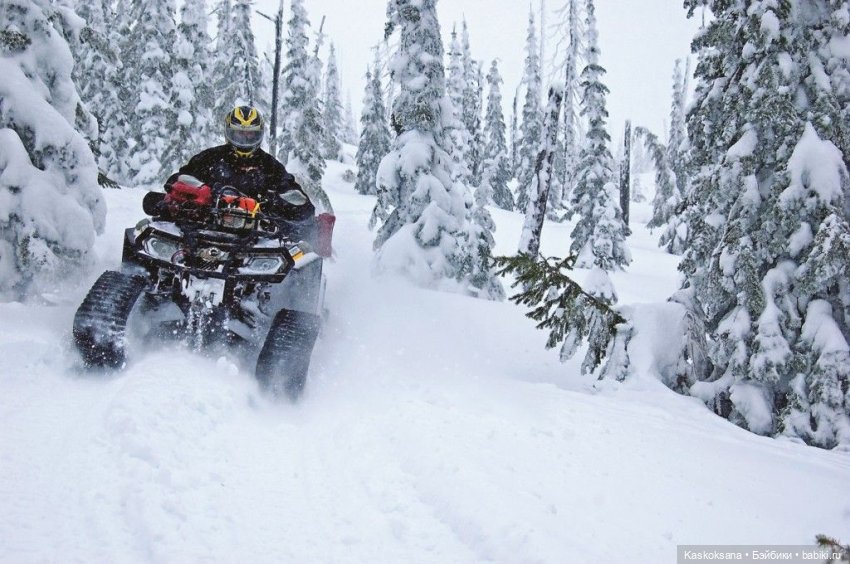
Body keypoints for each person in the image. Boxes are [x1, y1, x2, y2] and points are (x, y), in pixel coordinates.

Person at [163, 105, 316, 240]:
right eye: (239, 134)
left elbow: (301, 203)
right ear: (228, 132)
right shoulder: (210, 158)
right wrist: (201, 193)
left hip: (256, 237)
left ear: (259, 135)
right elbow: (177, 180)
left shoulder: (270, 166)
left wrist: (275, 202)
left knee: (300, 247)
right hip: (204, 228)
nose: (244, 140)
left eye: (250, 135)